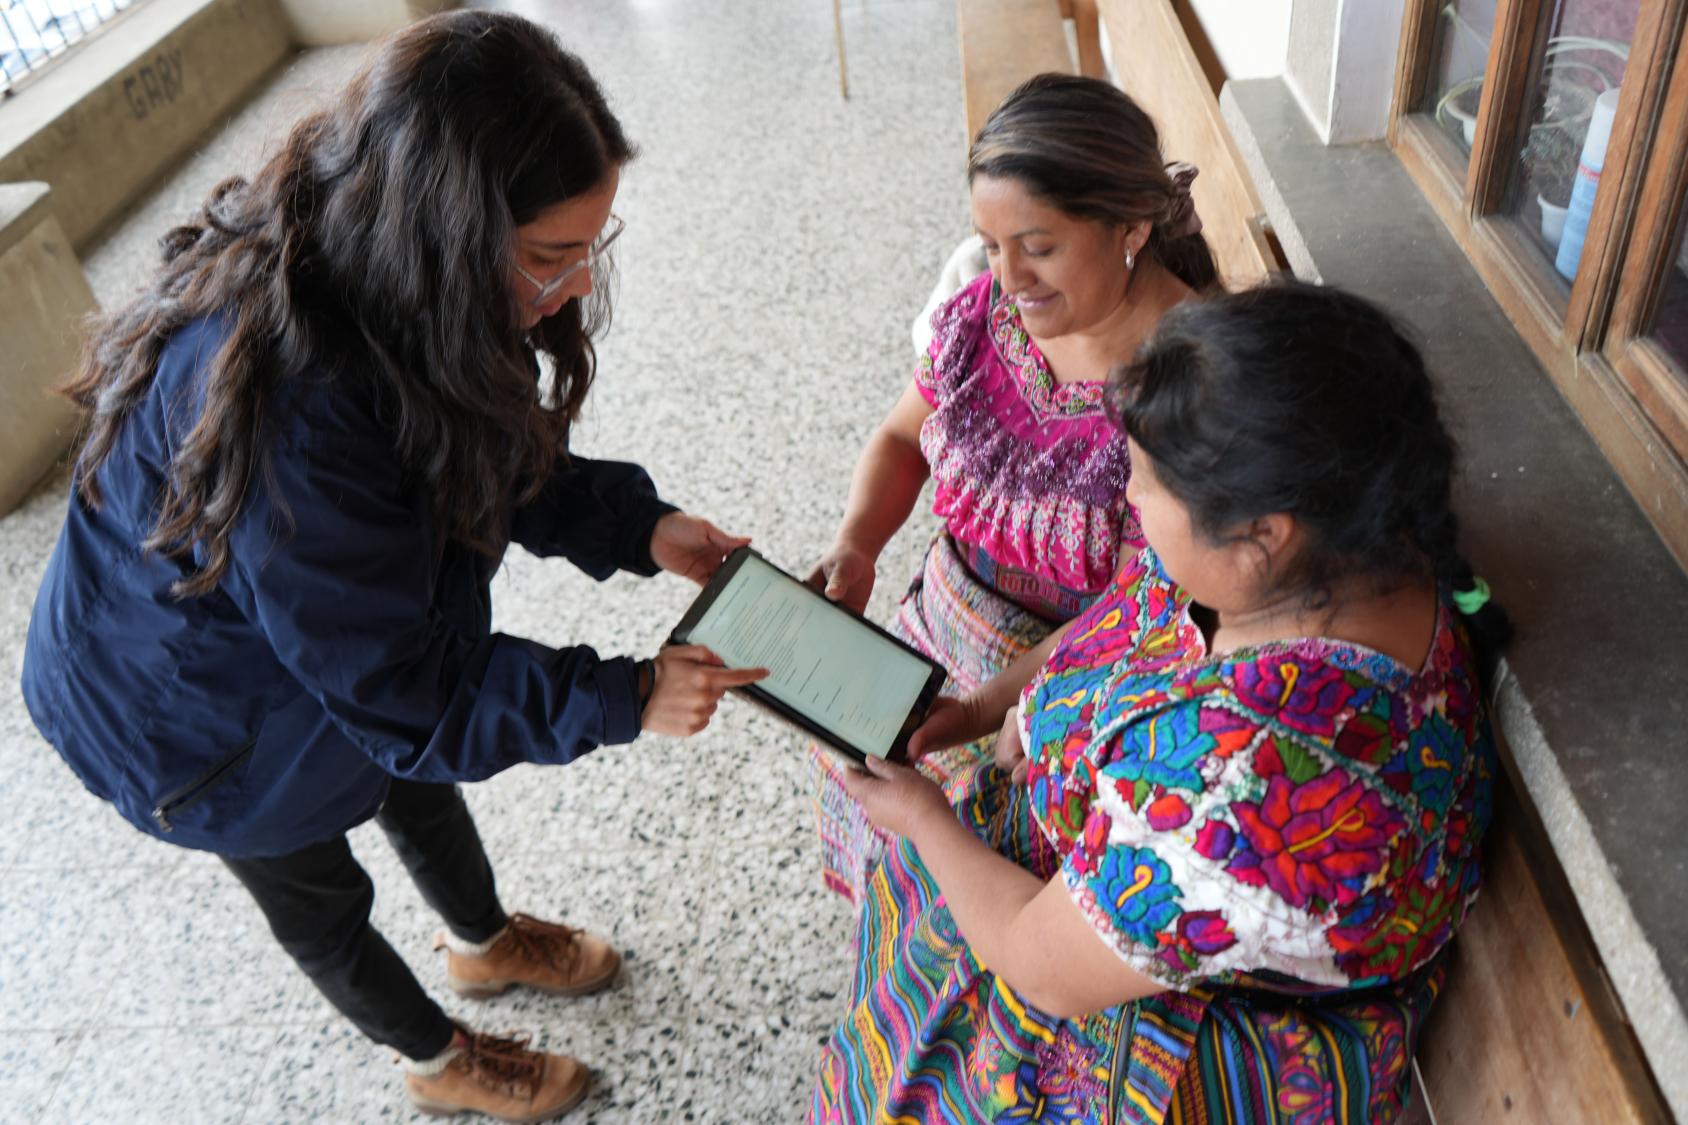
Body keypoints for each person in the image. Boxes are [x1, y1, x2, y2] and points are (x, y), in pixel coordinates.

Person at [20, 13, 764, 1122]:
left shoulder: (394, 265)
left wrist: (635, 526)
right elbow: (409, 696)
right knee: (319, 894)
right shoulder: (297, 413)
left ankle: (480, 939)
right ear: (450, 225)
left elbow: (467, 453)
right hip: (194, 721)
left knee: (413, 781)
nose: (566, 292)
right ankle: (434, 1057)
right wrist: (627, 696)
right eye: (550, 259)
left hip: (320, 642)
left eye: (586, 251)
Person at [811, 282, 1509, 1123]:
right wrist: (992, 705)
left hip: (1154, 1035)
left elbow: (1039, 966)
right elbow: (1127, 615)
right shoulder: (1350, 545)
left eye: (1145, 484)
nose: (1132, 501)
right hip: (1090, 875)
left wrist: (927, 821)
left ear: (1262, 535)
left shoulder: (1248, 787)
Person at [807, 74, 1216, 903]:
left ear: (1131, 223)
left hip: (1054, 690)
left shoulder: (1193, 382)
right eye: (992, 245)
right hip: (933, 635)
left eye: (1038, 245)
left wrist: (989, 706)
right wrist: (857, 542)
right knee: (865, 785)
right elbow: (899, 437)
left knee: (947, 873)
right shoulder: (986, 311)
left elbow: (1145, 605)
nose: (1009, 275)